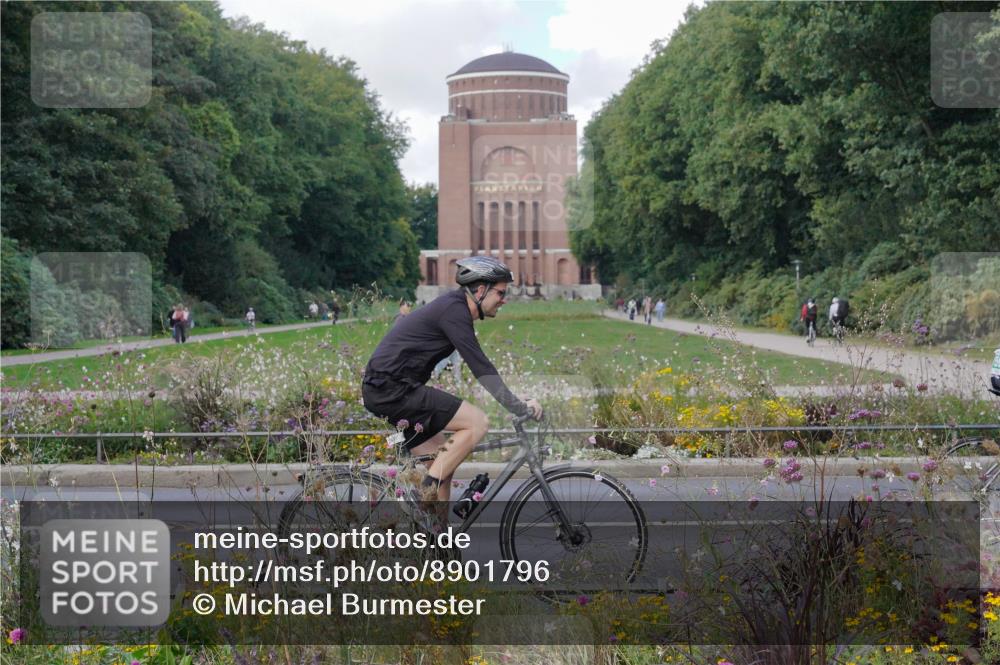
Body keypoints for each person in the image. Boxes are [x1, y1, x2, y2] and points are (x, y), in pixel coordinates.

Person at [361, 256, 543, 506]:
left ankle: (438, 541)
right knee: (477, 422)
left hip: (389, 389)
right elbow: (481, 366)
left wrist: (512, 398)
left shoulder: (454, 308)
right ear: (480, 290)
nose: (504, 300)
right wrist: (517, 407)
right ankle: (427, 487)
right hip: (392, 389)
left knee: (441, 467)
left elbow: (481, 367)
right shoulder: (454, 311)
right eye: (500, 293)